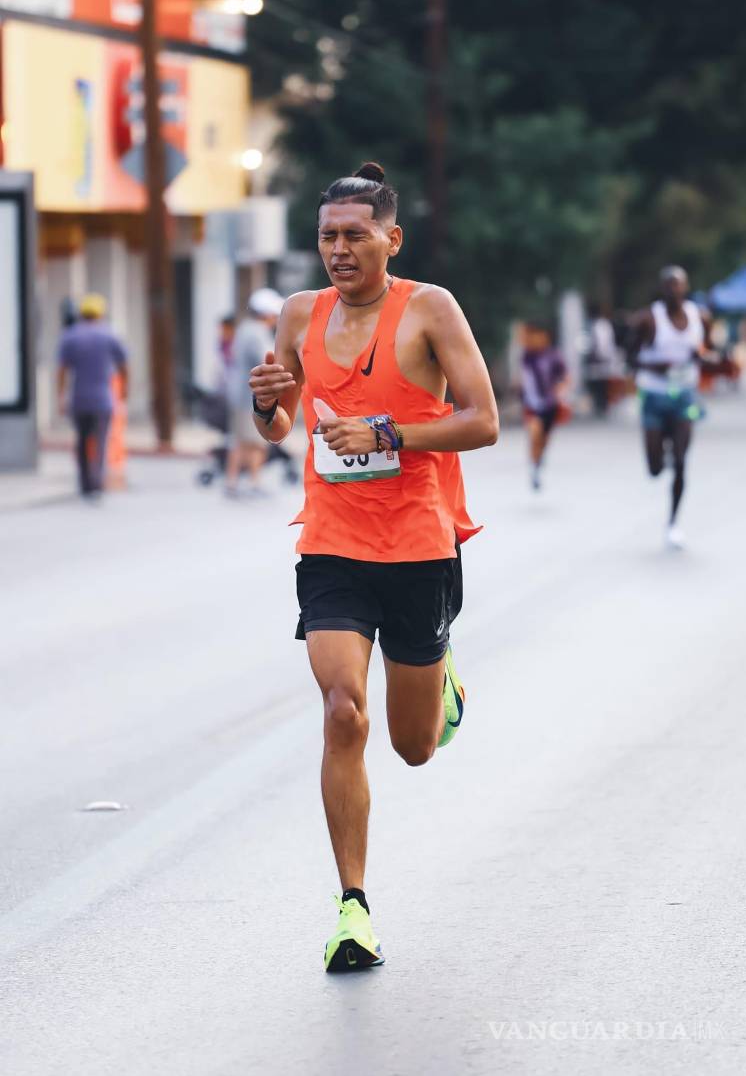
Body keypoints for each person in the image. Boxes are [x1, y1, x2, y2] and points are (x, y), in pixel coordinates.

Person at [249, 162, 499, 972]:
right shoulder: (299, 313)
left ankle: (441, 678)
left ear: (393, 239)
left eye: (356, 235)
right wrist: (266, 400)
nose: (339, 249)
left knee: (414, 746)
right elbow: (279, 425)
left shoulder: (430, 309)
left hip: (419, 542)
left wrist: (387, 432)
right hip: (332, 542)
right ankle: (352, 907)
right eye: (328, 236)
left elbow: (483, 420)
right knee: (342, 710)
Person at [626, 266, 713, 549]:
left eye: (679, 285)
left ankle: (673, 523)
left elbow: (706, 349)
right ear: (662, 289)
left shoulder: (700, 317)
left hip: (684, 397)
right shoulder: (648, 319)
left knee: (681, 460)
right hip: (653, 395)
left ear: (686, 287)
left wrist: (702, 356)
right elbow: (630, 358)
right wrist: (655, 366)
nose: (674, 290)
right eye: (669, 285)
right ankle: (661, 451)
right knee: (655, 468)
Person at [57, 293, 128, 499]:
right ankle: (96, 482)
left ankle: (85, 483)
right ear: (100, 314)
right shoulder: (109, 335)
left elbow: (62, 370)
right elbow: (124, 366)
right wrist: (125, 390)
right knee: (100, 442)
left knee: (81, 441)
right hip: (102, 399)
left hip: (79, 399)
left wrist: (61, 396)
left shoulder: (70, 336)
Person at [225, 289, 284, 497]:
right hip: (251, 397)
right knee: (257, 442)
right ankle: (252, 482)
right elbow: (268, 361)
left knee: (240, 440)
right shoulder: (257, 333)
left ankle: (234, 481)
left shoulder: (245, 329)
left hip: (240, 394)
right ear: (266, 314)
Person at [519, 321, 569, 490]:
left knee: (544, 440)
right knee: (535, 434)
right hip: (532, 405)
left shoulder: (553, 356)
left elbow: (565, 377)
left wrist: (559, 391)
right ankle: (533, 468)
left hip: (550, 405)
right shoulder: (527, 356)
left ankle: (538, 462)